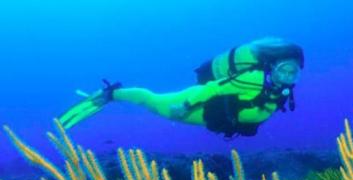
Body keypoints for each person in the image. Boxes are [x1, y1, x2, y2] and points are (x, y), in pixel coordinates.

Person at [59, 37, 304, 138]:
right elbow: (212, 88)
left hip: (213, 115)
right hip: (194, 107)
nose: (287, 76)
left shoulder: (280, 87)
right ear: (272, 66)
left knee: (152, 101)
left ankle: (109, 95)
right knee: (151, 101)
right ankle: (109, 94)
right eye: (283, 69)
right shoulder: (254, 78)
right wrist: (184, 106)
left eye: (293, 71)